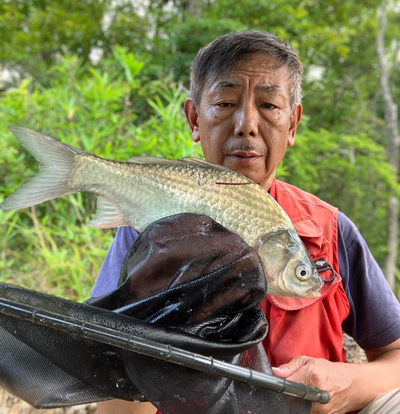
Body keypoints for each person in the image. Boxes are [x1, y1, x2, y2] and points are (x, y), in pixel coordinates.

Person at [93, 30, 400, 414]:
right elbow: (110, 394)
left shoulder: (331, 229)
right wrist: (148, 315)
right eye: (224, 102)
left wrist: (348, 385)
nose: (246, 124)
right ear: (193, 119)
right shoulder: (149, 230)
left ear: (292, 124)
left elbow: (395, 355)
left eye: (270, 105)